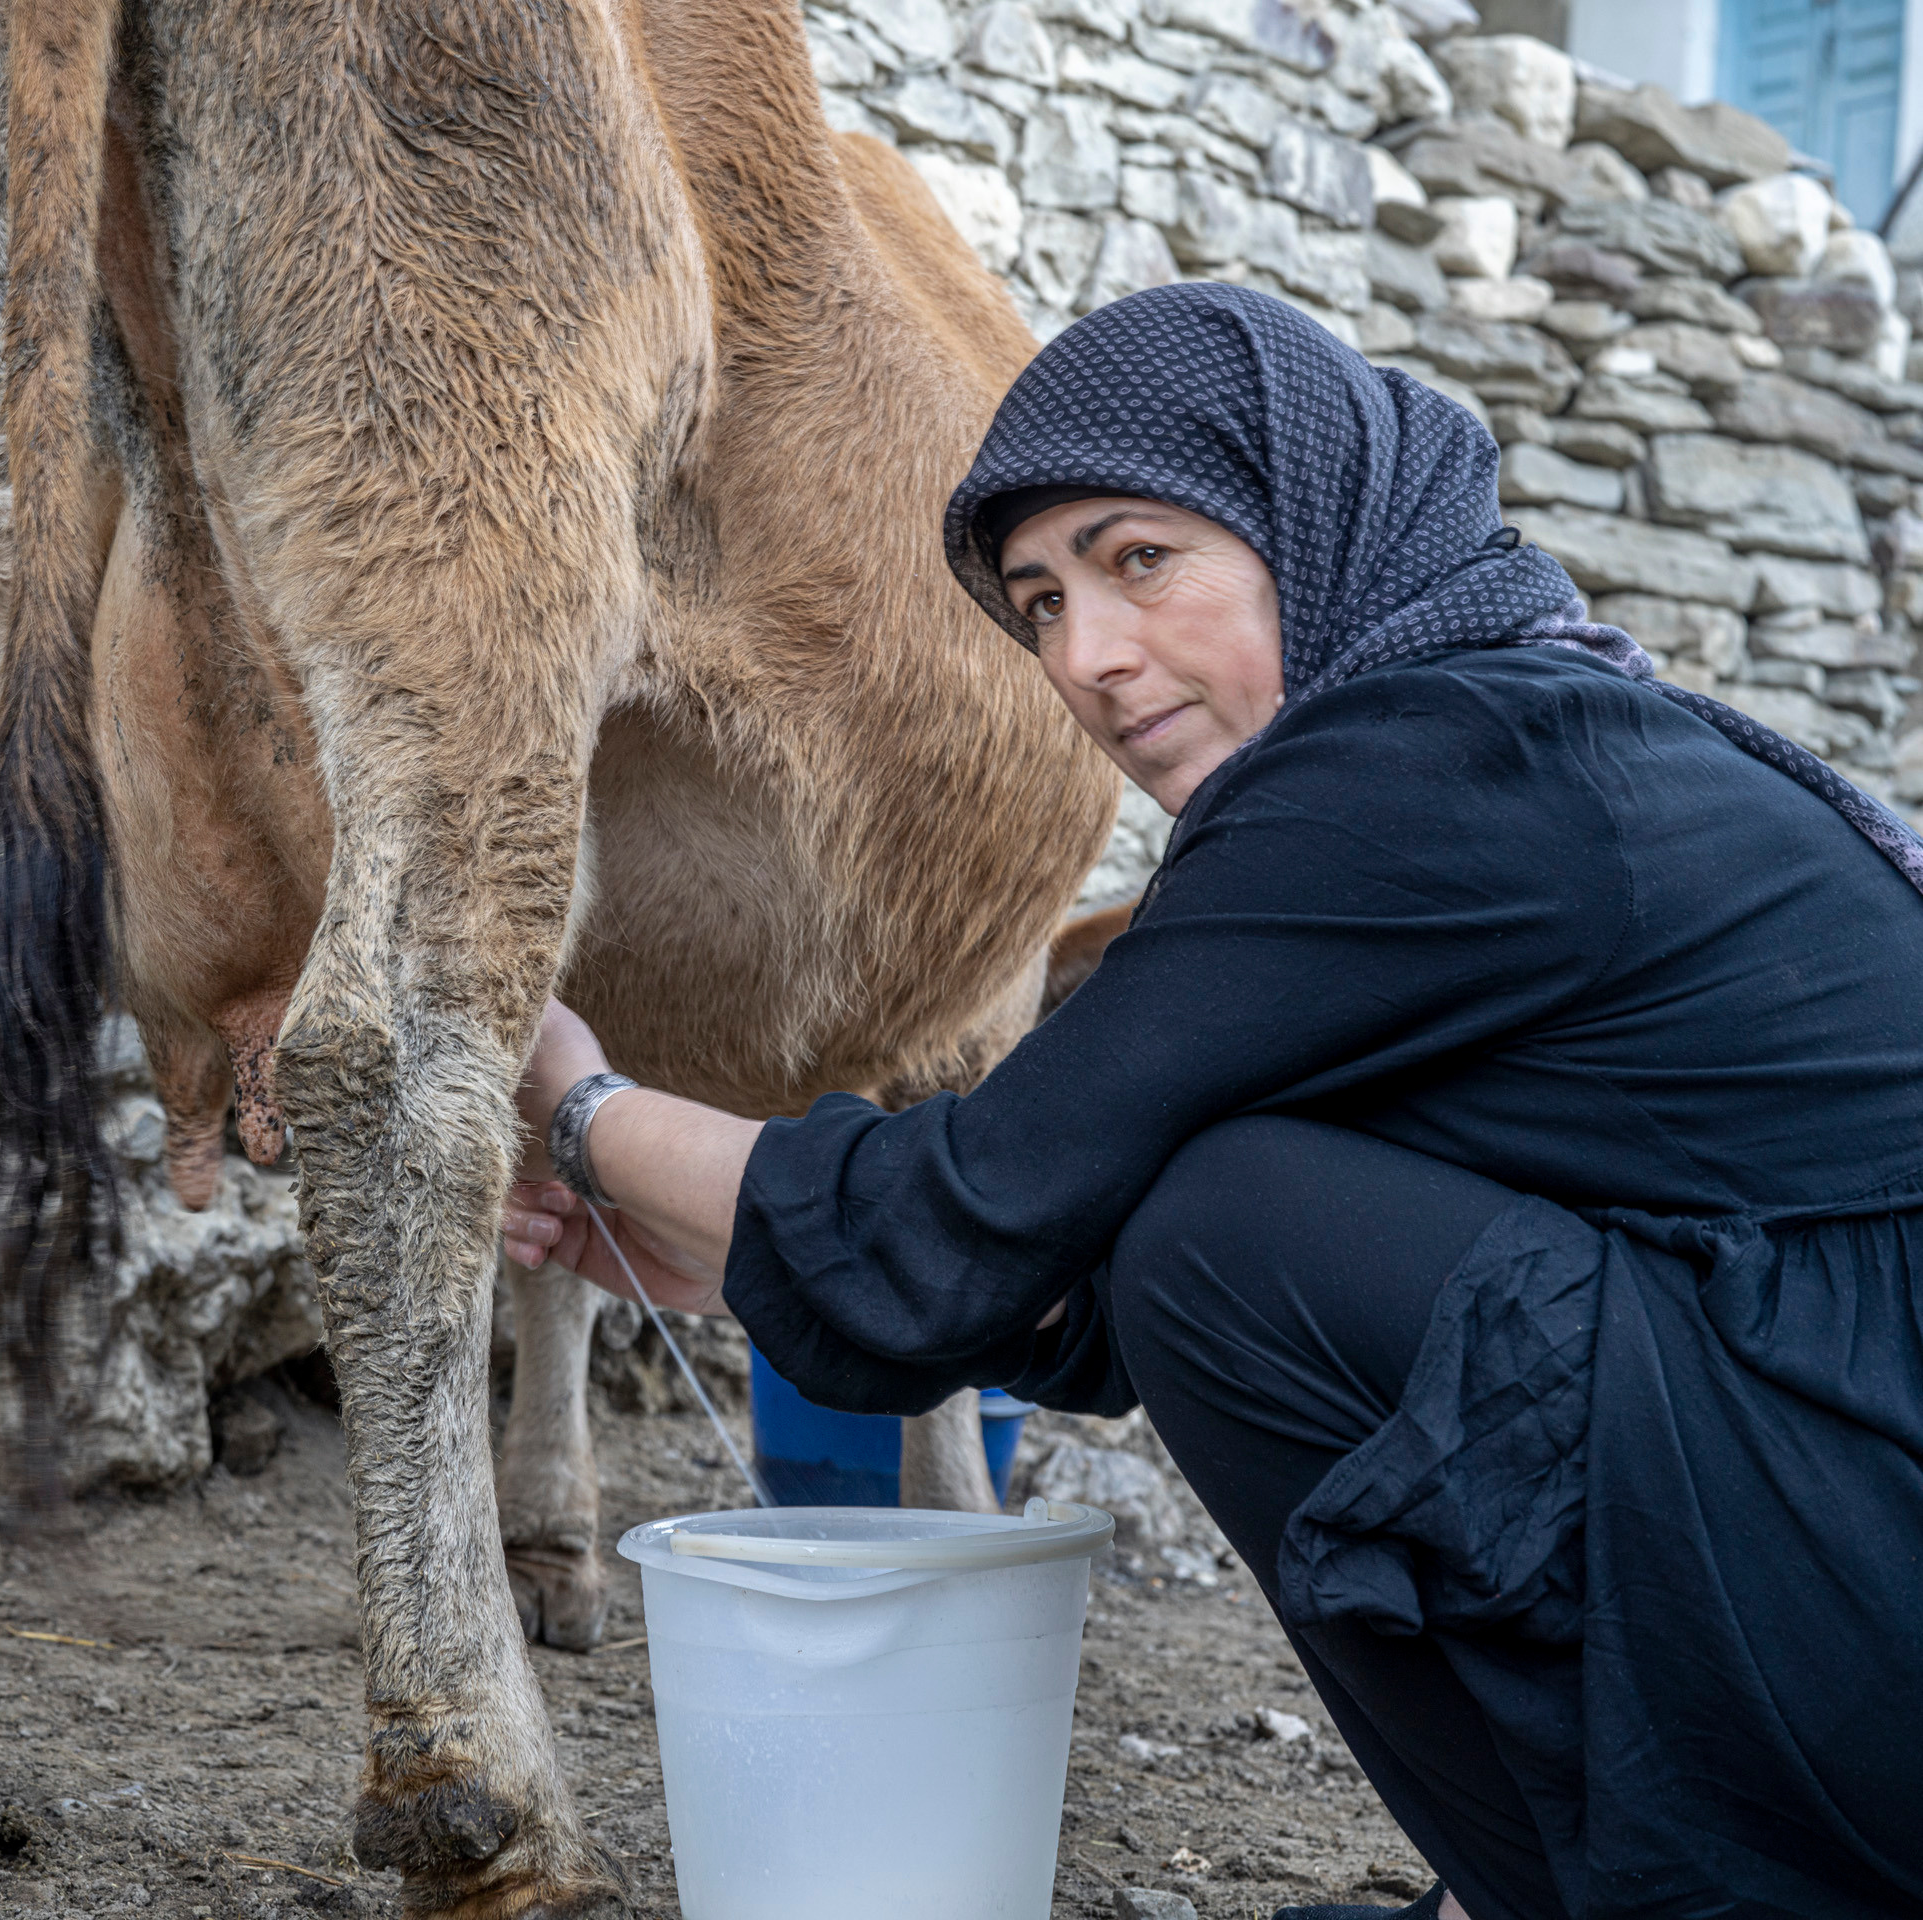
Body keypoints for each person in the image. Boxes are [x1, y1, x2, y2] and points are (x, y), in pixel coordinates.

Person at [499, 284, 1923, 1920]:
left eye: (1140, 561)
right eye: (1035, 605)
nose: (1087, 658)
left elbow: (973, 1218)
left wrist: (578, 1104)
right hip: (1851, 1529)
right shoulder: (1498, 720)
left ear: (1309, 519)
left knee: (1222, 1234)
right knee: (1215, 1229)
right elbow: (1080, 1270)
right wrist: (732, 1247)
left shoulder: (1423, 768)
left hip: (1871, 1589)